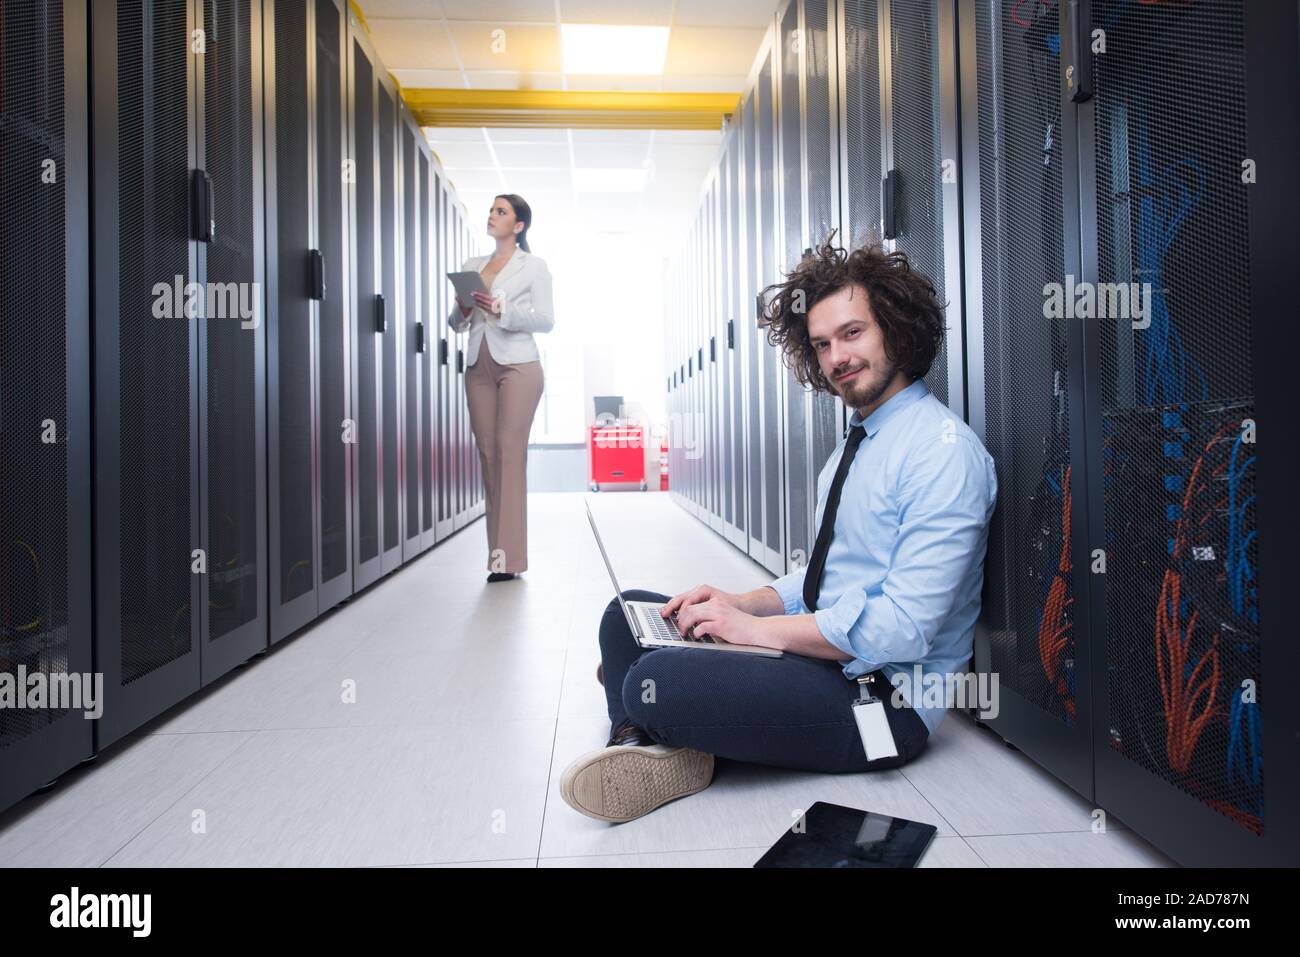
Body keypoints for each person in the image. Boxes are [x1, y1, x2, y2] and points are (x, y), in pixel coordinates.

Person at [559, 237, 998, 823]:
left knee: (653, 675)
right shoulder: (860, 439)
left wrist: (754, 633)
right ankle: (650, 743)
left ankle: (648, 717)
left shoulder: (943, 453)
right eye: (821, 344)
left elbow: (904, 630)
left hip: (879, 701)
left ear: (895, 327)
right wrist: (741, 602)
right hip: (823, 661)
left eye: (852, 333)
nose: (837, 357)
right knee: (628, 615)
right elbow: (826, 578)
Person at [449, 194, 554, 583]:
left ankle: (505, 561)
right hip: (478, 362)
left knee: (510, 456)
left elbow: (546, 320)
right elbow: (457, 323)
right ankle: (498, 555)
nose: (492, 216)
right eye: (491, 210)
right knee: (489, 457)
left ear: (519, 225)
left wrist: (501, 310)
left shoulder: (534, 267)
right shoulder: (472, 266)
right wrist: (463, 306)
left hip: (519, 365)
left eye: (501, 211)